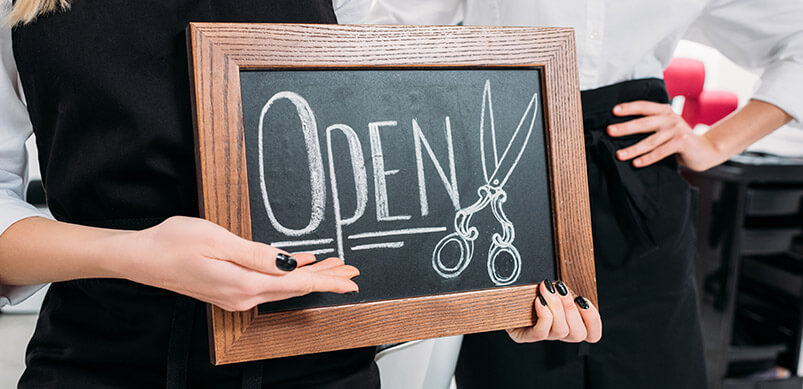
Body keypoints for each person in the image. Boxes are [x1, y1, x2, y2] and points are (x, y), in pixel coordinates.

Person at [0, 1, 600, 388]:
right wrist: (132, 253)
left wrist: (499, 296)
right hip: (100, 364)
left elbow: (418, 130)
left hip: (320, 371)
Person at [366, 1, 802, 388]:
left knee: (654, 365)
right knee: (519, 367)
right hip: (509, 159)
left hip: (636, 179)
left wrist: (714, 145)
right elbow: (387, 33)